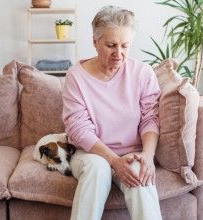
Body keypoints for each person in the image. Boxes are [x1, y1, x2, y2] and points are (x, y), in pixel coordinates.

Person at [62, 5, 162, 220]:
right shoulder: (76, 76)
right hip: (90, 153)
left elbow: (150, 119)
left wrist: (147, 156)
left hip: (131, 152)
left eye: (125, 46)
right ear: (95, 42)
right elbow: (78, 128)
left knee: (139, 172)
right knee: (98, 168)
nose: (119, 53)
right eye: (111, 45)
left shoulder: (142, 73)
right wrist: (113, 161)